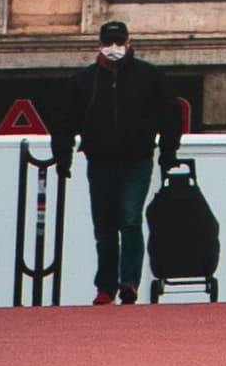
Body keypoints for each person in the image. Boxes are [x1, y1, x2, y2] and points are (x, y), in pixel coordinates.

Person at [48, 16, 185, 305]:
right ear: (99, 45)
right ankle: (106, 286)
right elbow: (64, 120)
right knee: (105, 228)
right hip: (100, 162)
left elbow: (170, 116)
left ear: (128, 43)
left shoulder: (149, 76)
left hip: (137, 160)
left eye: (118, 42)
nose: (114, 47)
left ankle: (129, 281)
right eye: (109, 42)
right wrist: (63, 157)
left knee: (130, 220)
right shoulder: (84, 81)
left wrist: (169, 153)